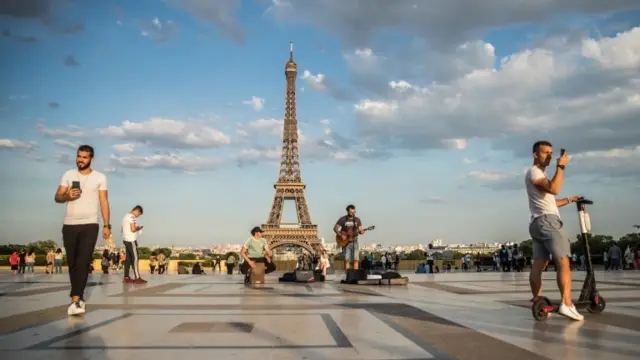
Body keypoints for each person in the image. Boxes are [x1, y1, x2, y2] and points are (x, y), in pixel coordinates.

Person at [525, 141, 583, 321]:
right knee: (563, 261)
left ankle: (538, 300)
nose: (549, 156)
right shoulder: (535, 172)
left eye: (551, 153)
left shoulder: (539, 175)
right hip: (548, 222)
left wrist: (569, 199)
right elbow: (554, 189)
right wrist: (561, 166)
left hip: (537, 222)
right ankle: (566, 303)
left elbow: (551, 202)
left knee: (539, 263)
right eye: (545, 153)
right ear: (535, 154)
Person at [54, 144, 111, 316]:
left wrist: (107, 225)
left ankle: (76, 299)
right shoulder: (68, 175)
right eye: (79, 156)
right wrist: (67, 196)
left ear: (91, 159)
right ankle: (78, 296)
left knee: (83, 261)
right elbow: (57, 197)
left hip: (90, 224)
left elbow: (104, 201)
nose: (81, 160)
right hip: (69, 224)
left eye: (84, 157)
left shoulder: (100, 177)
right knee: (72, 263)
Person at [334, 205, 364, 271]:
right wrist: (340, 235)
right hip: (346, 243)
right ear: (347, 211)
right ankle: (348, 275)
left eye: (354, 212)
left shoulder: (357, 219)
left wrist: (361, 231)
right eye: (351, 212)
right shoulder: (343, 219)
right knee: (347, 259)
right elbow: (335, 228)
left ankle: (355, 274)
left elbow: (360, 230)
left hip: (355, 241)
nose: (353, 213)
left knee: (356, 259)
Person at [121, 205, 146, 284]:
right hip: (131, 240)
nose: (138, 216)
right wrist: (139, 228)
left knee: (128, 260)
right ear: (137, 211)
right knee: (135, 258)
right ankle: (137, 277)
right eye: (139, 214)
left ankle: (126, 277)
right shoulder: (132, 217)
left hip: (125, 239)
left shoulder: (125, 216)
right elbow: (133, 229)